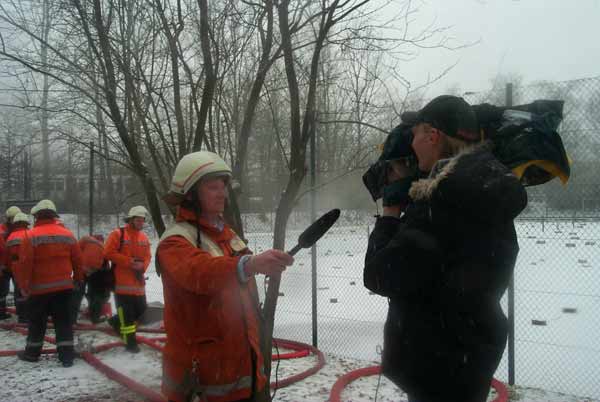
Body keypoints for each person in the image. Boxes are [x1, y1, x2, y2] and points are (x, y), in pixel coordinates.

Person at [363, 95, 528, 402]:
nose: (411, 145)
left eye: (414, 135)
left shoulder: (442, 201)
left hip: (436, 367)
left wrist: (390, 214)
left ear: (432, 135)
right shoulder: (488, 187)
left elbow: (379, 276)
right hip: (470, 358)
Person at [156, 151, 294, 402]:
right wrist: (250, 264)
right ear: (190, 194)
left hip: (247, 376)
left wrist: (265, 263)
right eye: (212, 187)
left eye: (223, 187)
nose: (222, 194)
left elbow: (238, 278)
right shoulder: (174, 242)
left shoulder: (226, 234)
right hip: (203, 386)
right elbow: (200, 272)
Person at [16, 200, 83, 367]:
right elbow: (78, 260)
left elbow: (25, 263)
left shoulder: (30, 236)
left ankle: (32, 354)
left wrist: (23, 286)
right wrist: (78, 279)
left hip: (39, 291)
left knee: (37, 323)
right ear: (54, 216)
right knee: (64, 323)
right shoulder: (68, 235)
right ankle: (67, 357)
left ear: (36, 216)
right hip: (64, 289)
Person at [106, 206, 152, 353]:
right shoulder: (118, 234)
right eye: (138, 219)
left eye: (142, 220)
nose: (140, 222)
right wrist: (129, 262)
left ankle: (114, 322)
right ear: (131, 219)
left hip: (138, 284)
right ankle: (130, 343)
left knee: (141, 311)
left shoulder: (143, 237)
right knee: (127, 316)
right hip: (122, 284)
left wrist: (142, 266)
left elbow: (148, 256)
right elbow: (108, 253)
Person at [71, 234, 111, 324]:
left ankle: (71, 319)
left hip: (81, 269)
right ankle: (95, 317)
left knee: (77, 294)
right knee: (96, 294)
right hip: (96, 271)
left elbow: (75, 251)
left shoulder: (85, 239)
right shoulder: (103, 247)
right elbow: (106, 265)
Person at [5, 212, 31, 323]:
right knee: (29, 290)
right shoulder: (29, 234)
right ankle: (28, 314)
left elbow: (7, 254)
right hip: (28, 266)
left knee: (18, 291)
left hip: (15, 268)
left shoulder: (10, 237)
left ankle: (21, 315)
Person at [0, 205, 22, 320]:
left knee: (19, 290)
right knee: (2, 291)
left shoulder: (19, 231)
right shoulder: (2, 231)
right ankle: (1, 313)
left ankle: (21, 312)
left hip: (15, 266)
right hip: (4, 267)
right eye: (12, 218)